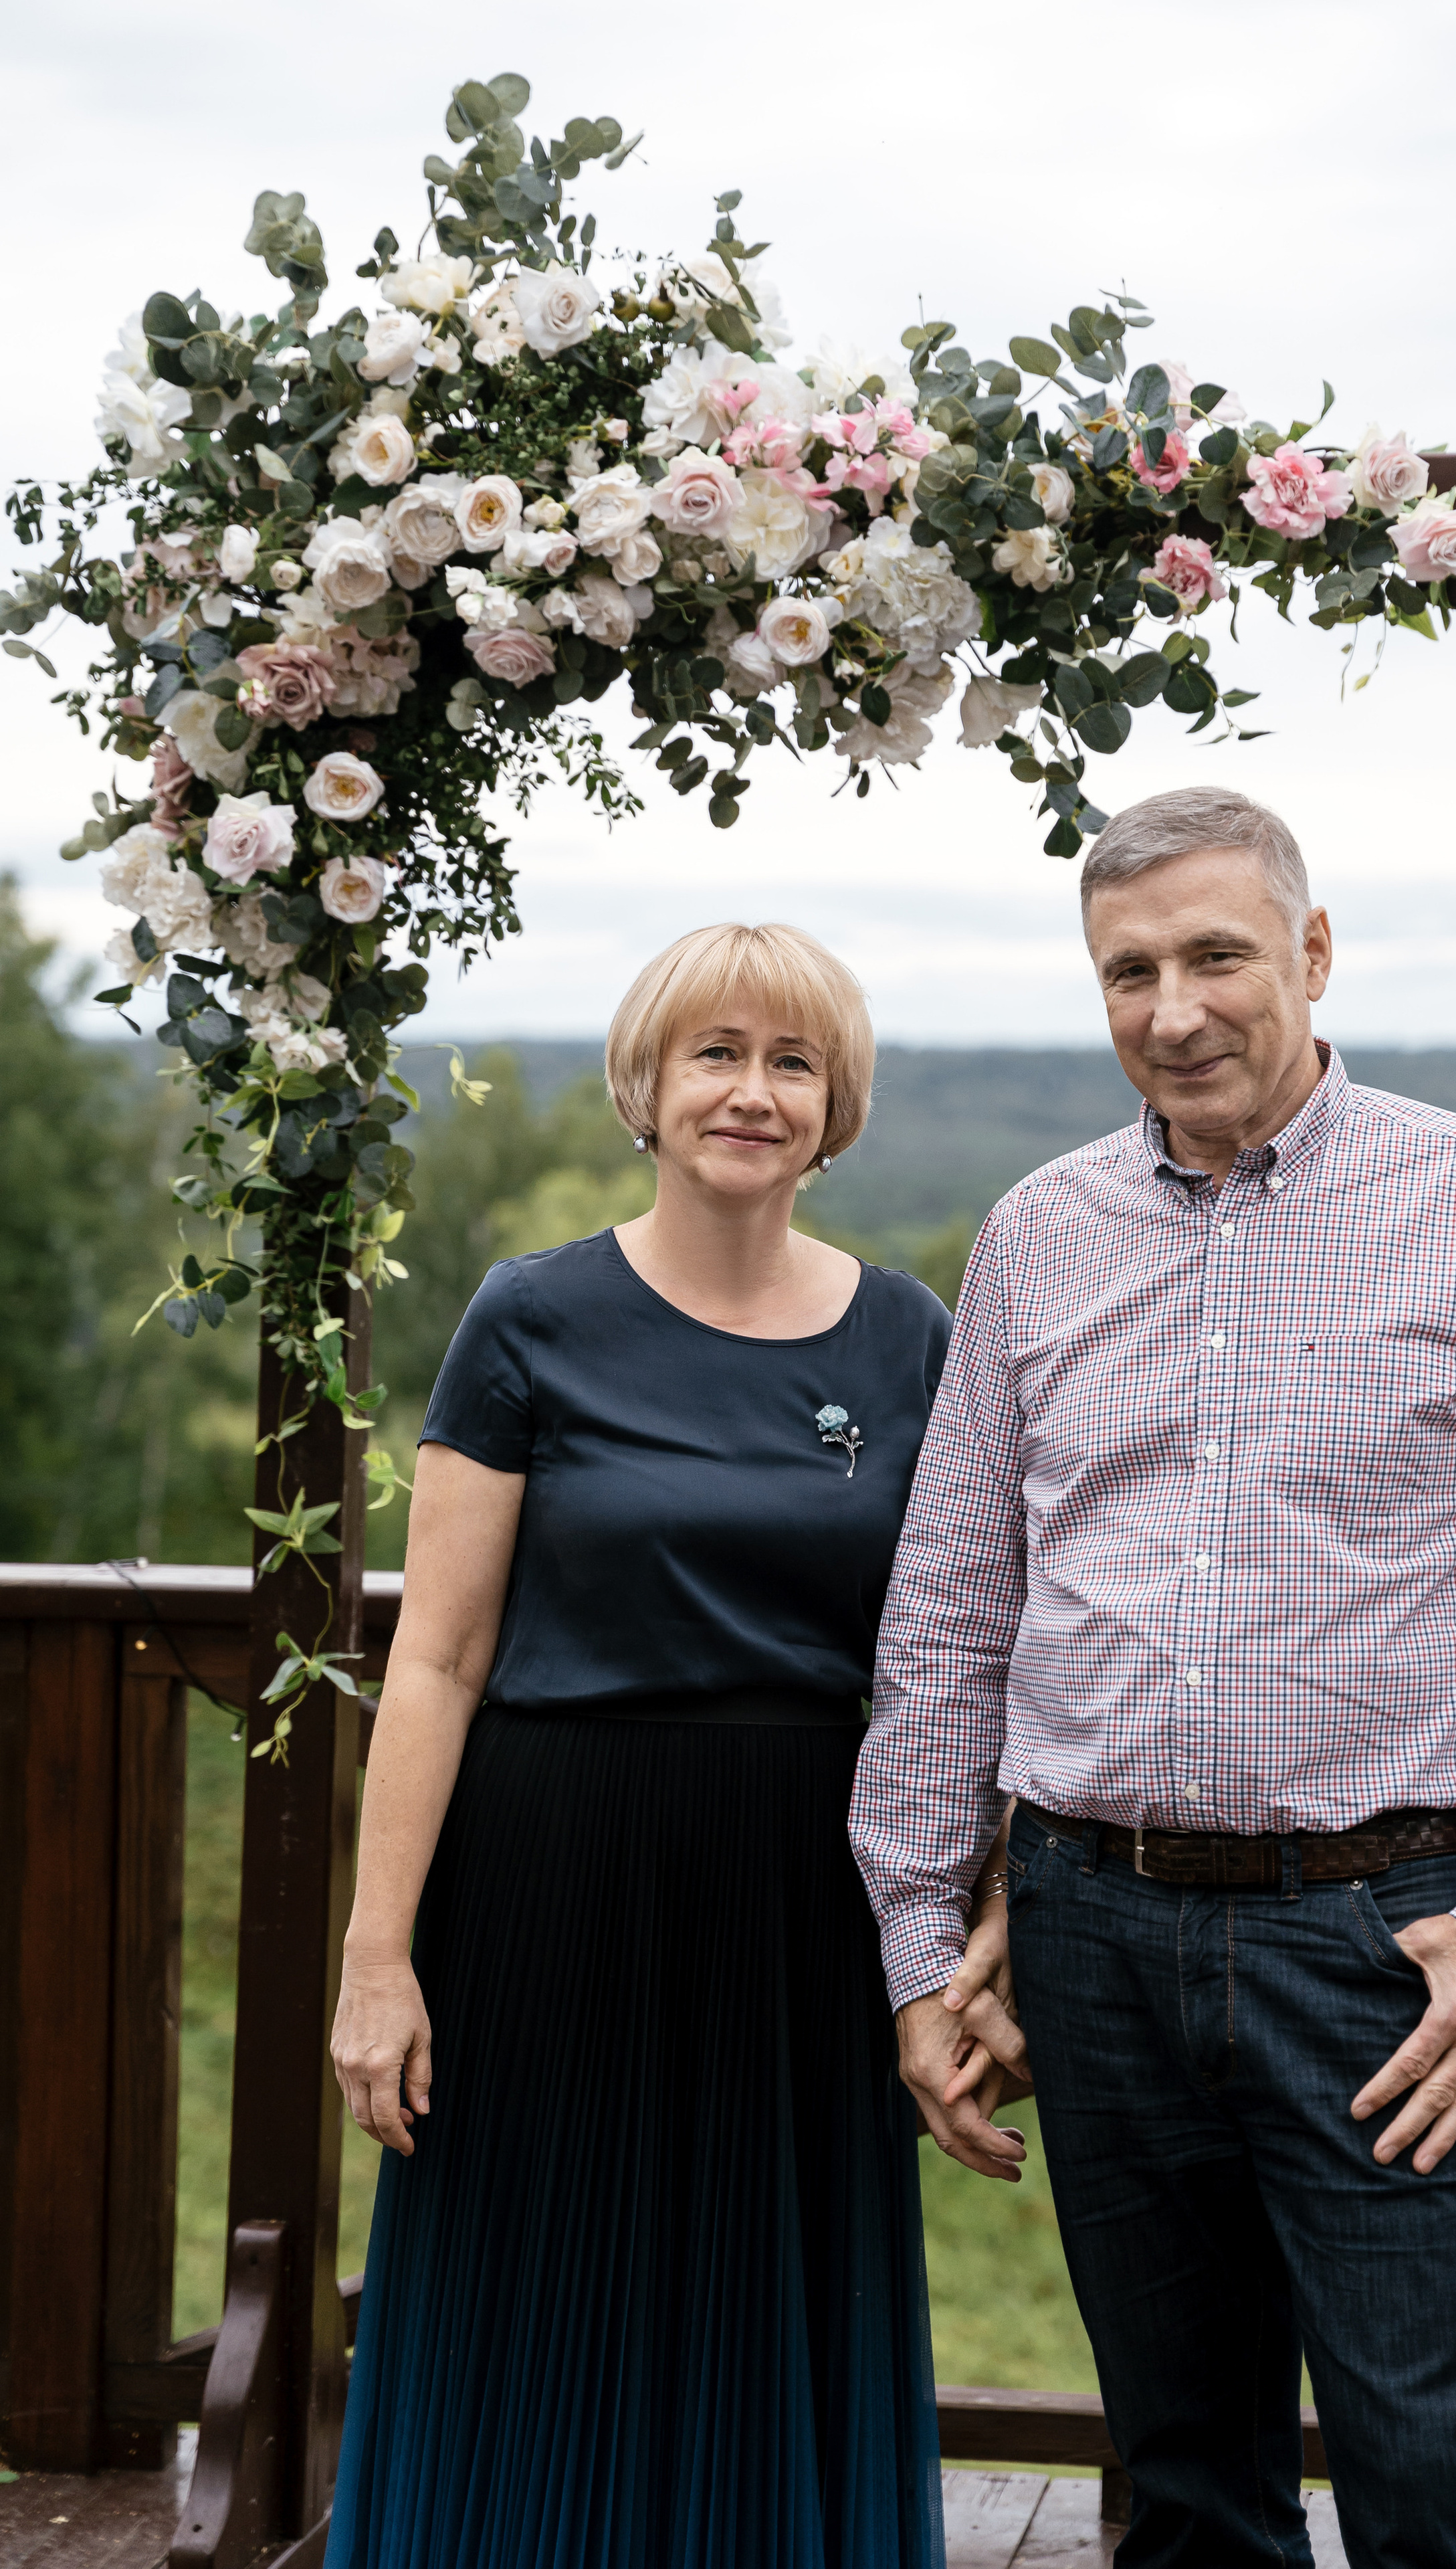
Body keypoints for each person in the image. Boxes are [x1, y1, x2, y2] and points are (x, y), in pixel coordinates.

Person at [848, 787, 1456, 2569]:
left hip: (1380, 1945)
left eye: (1216, 954)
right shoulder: (1038, 1234)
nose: (1173, 1009)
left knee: (1438, 2488)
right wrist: (925, 1937)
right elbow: (952, 1609)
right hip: (1087, 1934)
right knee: (1189, 2488)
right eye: (1128, 971)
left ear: (1309, 950)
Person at [325, 922, 958, 2569]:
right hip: (550, 1881)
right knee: (534, 2290)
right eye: (714, 1054)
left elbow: (949, 1660)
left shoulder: (908, 1339)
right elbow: (441, 1657)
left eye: (791, 1062)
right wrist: (376, 1957)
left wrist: (958, 1935)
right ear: (646, 1083)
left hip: (805, 1903)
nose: (750, 1092)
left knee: (771, 2294)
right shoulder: (529, 1318)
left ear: (837, 1107)